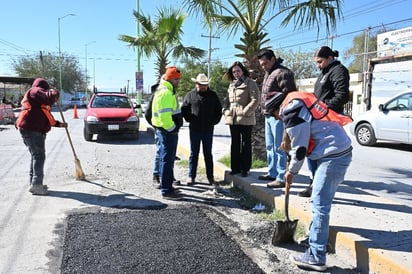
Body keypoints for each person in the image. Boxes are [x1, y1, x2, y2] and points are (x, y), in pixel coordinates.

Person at [265, 92, 352, 272]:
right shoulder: (296, 104)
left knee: (320, 204)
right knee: (319, 201)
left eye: (274, 116)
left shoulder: (290, 110)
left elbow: (300, 149)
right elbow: (299, 140)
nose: (277, 119)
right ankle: (316, 239)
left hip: (332, 155)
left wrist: (291, 172)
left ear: (277, 109)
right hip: (333, 151)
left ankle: (316, 256)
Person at [300, 46, 350, 198]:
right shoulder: (325, 71)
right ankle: (314, 183)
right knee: (313, 152)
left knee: (324, 153)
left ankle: (320, 186)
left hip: (329, 118)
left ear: (329, 58)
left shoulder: (339, 71)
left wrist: (322, 108)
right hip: (317, 117)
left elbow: (342, 95)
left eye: (320, 62)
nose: (318, 65)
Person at [16, 78, 67, 195]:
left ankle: (34, 183)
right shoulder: (35, 91)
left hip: (29, 130)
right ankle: (37, 185)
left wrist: (60, 124)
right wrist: (54, 92)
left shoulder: (37, 102)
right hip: (32, 131)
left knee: (35, 156)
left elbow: (47, 117)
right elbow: (49, 97)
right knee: (39, 156)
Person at [257, 49, 296, 188]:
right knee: (270, 146)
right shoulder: (269, 73)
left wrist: (278, 111)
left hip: (278, 116)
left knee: (280, 147)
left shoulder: (282, 73)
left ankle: (280, 177)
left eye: (265, 63)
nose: (263, 66)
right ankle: (272, 172)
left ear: (273, 59)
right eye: (261, 64)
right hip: (268, 115)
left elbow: (290, 95)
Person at [181, 73, 222, 185]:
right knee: (194, 154)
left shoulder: (213, 95)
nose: (203, 86)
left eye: (205, 84)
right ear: (196, 84)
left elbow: (219, 110)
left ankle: (210, 177)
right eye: (201, 84)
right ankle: (191, 176)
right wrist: (190, 119)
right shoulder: (190, 95)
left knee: (208, 153)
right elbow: (184, 109)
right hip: (194, 129)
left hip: (208, 129)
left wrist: (213, 121)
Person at [151, 66, 183, 200]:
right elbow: (164, 117)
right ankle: (166, 190)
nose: (178, 82)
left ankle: (168, 186)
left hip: (165, 131)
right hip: (167, 131)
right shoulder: (165, 93)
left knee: (167, 160)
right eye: (177, 79)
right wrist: (173, 129)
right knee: (167, 161)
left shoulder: (165, 90)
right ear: (171, 79)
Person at [222, 61, 260, 177]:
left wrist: (245, 112)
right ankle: (235, 168)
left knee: (246, 144)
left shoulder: (250, 83)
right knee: (235, 143)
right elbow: (227, 100)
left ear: (243, 71)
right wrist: (225, 110)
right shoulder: (232, 84)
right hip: (232, 119)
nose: (236, 73)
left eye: (238, 71)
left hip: (245, 118)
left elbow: (255, 99)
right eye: (234, 72)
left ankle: (245, 168)